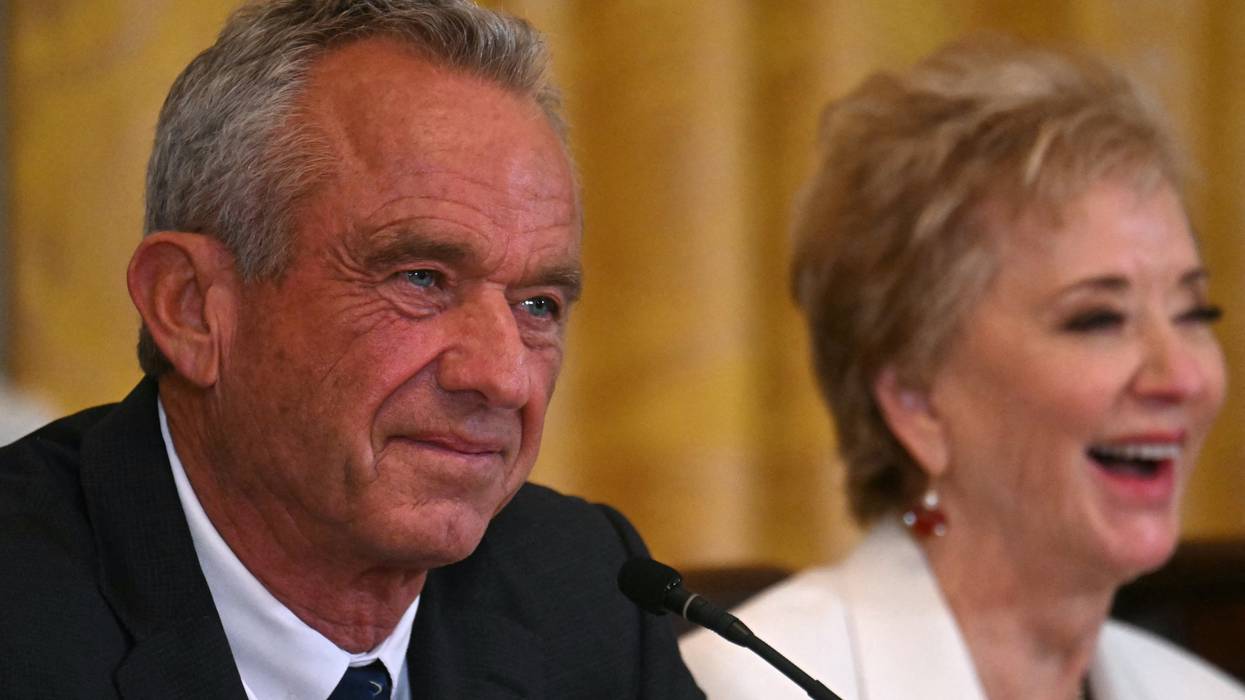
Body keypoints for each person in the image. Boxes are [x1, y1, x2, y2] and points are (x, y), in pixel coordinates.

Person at [0, 1, 704, 698]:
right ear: (191, 307)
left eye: (536, 306)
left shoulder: (582, 589)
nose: (503, 376)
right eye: (420, 279)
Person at [680, 36, 1245, 700]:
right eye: (1098, 319)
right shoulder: (736, 686)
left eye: (1192, 314)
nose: (1180, 376)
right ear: (915, 399)